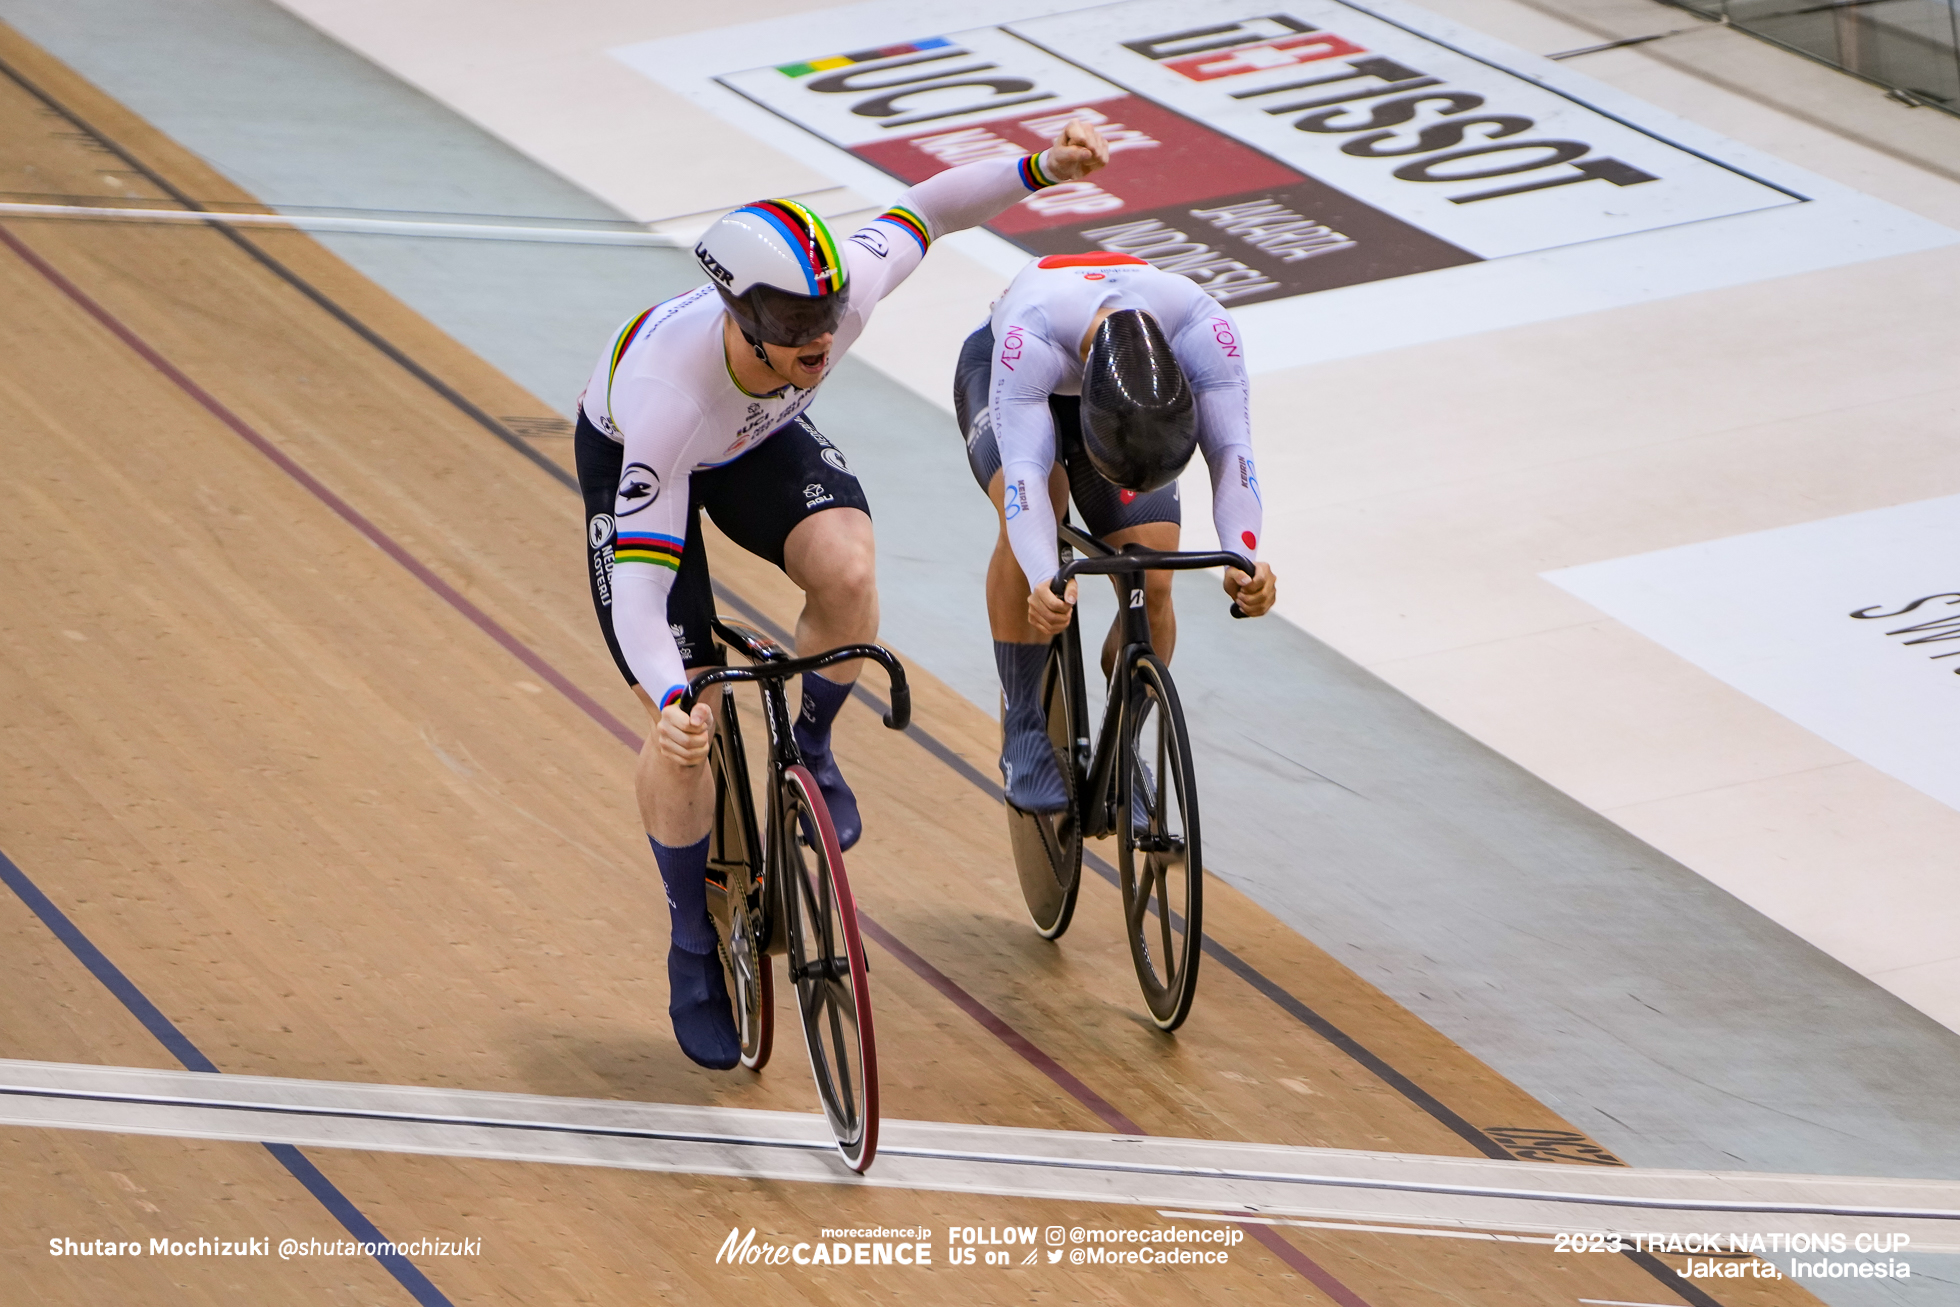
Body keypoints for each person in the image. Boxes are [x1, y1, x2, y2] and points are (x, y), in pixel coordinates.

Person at [576, 123, 1111, 1068]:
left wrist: (1038, 168)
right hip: (651, 458)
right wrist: (665, 697)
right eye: (790, 330)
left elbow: (927, 210)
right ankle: (691, 945)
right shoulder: (668, 392)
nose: (818, 339)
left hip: (749, 439)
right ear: (739, 319)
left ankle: (811, 743)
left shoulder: (836, 293)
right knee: (691, 716)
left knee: (851, 570)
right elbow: (642, 598)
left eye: (824, 316)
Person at [951, 254, 1278, 813]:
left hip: (1125, 398)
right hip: (1013, 381)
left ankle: (1121, 743)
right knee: (1040, 506)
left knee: (1153, 574)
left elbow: (1233, 452)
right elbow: (1027, 477)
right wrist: (1040, 576)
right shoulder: (1032, 334)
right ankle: (1024, 720)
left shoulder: (1204, 327)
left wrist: (1245, 557)